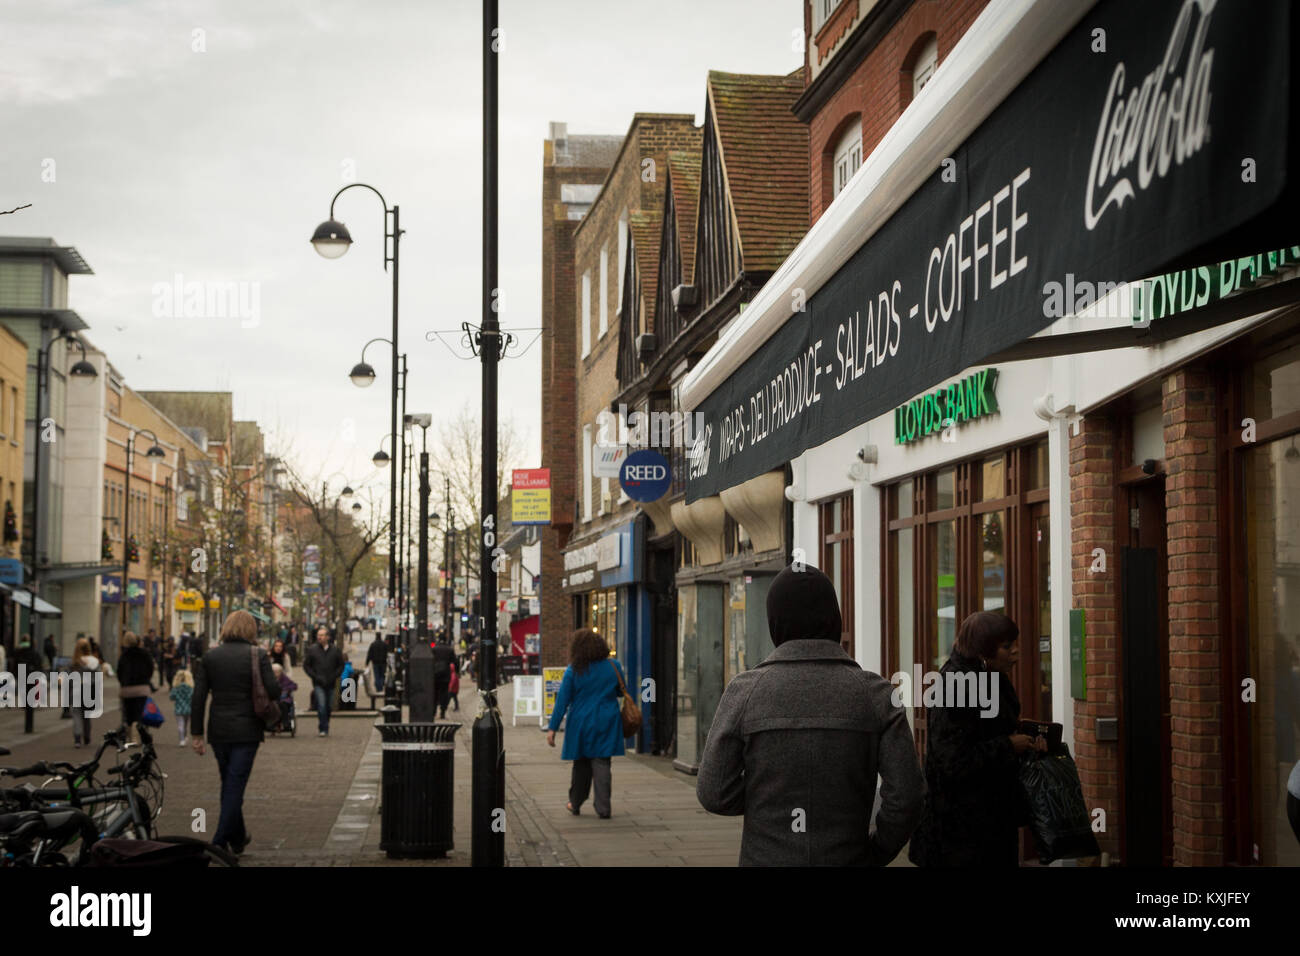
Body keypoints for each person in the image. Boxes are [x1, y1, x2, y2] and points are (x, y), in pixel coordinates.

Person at [697, 564, 925, 865]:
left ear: (774, 622)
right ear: (834, 618)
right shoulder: (877, 695)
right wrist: (877, 851)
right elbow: (907, 796)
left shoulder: (745, 692)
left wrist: (768, 801)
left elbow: (714, 792)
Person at [909, 611, 1046, 868]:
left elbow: (992, 731)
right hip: (959, 833)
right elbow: (951, 760)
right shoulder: (956, 686)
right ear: (984, 650)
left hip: (991, 822)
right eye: (1007, 646)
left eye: (1015, 643)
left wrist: (1026, 743)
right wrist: (1008, 745)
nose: (1016, 652)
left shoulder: (992, 678)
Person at [191, 610, 278, 856]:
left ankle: (238, 837)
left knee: (229, 783)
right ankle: (219, 842)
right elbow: (274, 690)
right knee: (234, 784)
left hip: (218, 730)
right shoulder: (257, 655)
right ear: (251, 630)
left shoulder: (211, 657)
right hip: (248, 730)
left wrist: (196, 734)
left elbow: (198, 698)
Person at [545, 628, 627, 819]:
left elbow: (562, 702)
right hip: (607, 719)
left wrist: (552, 728)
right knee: (603, 762)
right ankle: (603, 807)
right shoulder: (613, 666)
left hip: (581, 721)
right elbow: (621, 691)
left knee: (581, 763)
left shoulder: (573, 670)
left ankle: (575, 802)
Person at [303, 625, 343, 737]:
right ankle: (322, 728)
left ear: (328, 637)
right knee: (321, 705)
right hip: (318, 683)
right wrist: (315, 676)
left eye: (322, 635)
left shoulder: (335, 650)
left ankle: (326, 723)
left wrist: (335, 676)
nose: (319, 637)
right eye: (318, 635)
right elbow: (307, 666)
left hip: (331, 682)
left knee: (329, 706)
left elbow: (340, 665)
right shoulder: (312, 650)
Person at [116, 632, 155, 738]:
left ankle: (128, 734)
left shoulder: (124, 655)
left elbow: (119, 671)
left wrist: (123, 682)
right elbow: (150, 668)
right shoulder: (144, 653)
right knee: (139, 713)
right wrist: (146, 680)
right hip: (142, 688)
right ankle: (137, 736)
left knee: (128, 714)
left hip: (127, 689)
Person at [70, 638, 101, 748]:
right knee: (87, 715)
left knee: (77, 714)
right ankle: (87, 737)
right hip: (89, 690)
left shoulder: (75, 662)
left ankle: (77, 738)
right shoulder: (95, 661)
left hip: (77, 690)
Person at [169, 668, 194, 747]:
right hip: (188, 709)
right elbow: (193, 697)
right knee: (186, 724)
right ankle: (185, 736)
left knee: (180, 725)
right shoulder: (190, 688)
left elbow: (171, 697)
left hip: (178, 709)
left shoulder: (176, 688)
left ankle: (182, 740)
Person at [433, 637, 457, 718]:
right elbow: (455, 662)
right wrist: (457, 672)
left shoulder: (434, 649)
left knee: (435, 693)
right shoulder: (449, 650)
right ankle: (442, 711)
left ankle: (433, 711)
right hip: (445, 675)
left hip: (435, 674)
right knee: (444, 693)